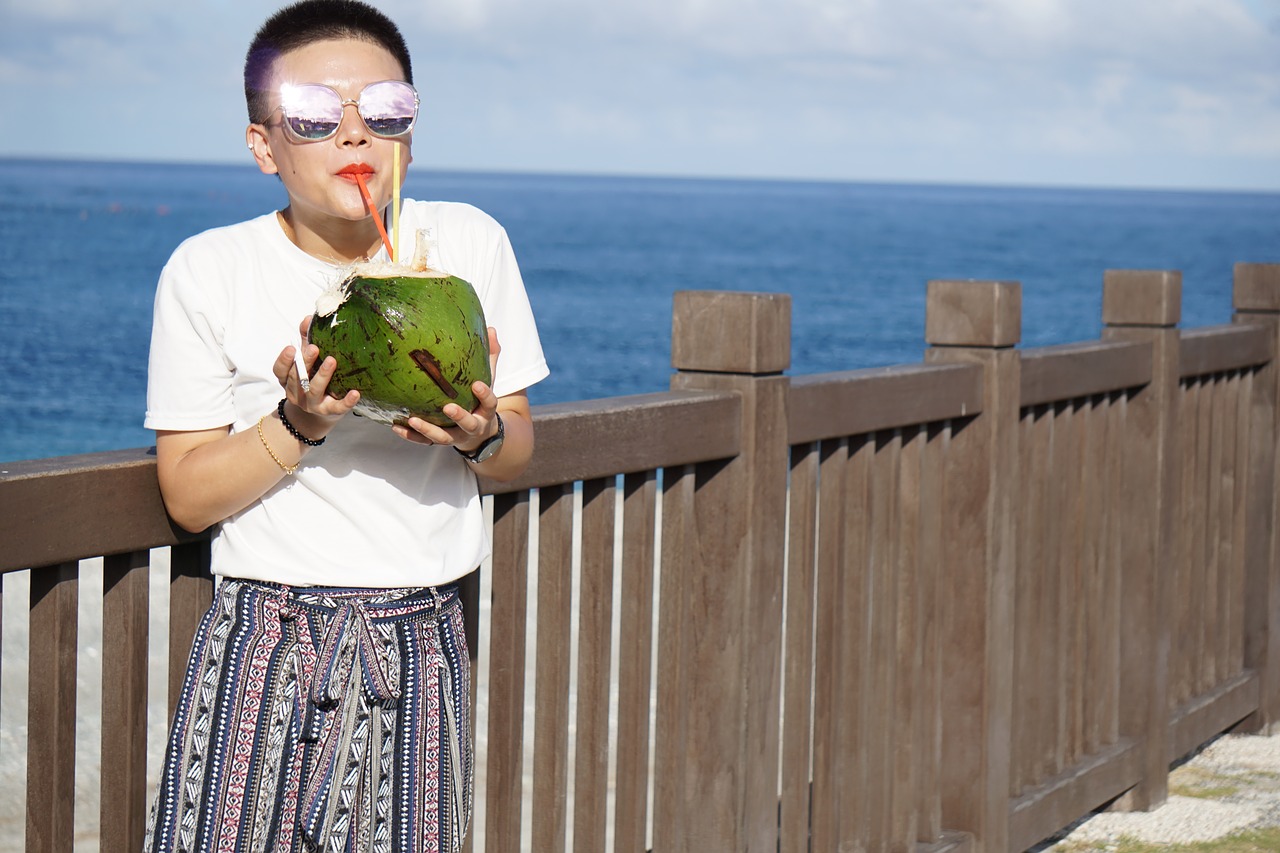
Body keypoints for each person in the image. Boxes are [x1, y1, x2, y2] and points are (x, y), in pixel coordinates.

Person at [142, 1, 548, 850]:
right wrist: (297, 424)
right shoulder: (208, 270)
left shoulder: (464, 246)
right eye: (316, 116)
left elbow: (517, 447)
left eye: (386, 110)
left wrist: (477, 436)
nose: (355, 135)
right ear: (264, 145)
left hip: (421, 629)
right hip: (264, 629)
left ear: (412, 131)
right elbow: (184, 495)